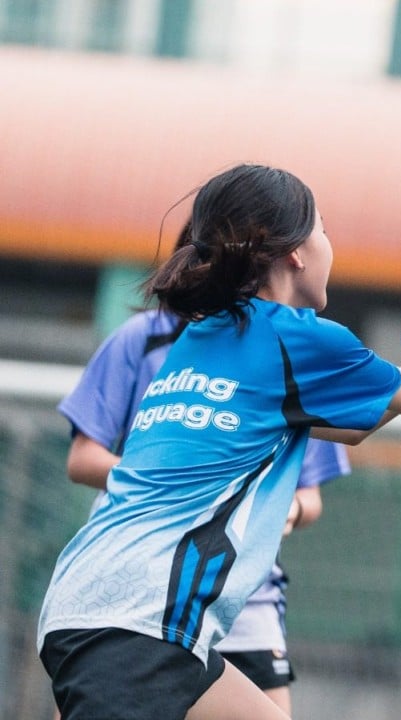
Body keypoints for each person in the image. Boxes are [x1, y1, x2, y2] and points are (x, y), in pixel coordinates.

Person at [37, 163, 401, 720]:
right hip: (142, 623)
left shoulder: (202, 333)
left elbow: (353, 424)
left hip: (104, 605)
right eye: (323, 229)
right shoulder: (292, 335)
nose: (328, 244)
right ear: (295, 251)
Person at [57, 241, 349, 716]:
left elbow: (311, 492)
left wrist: (283, 510)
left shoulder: (288, 350)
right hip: (138, 583)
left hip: (242, 589)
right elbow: (82, 457)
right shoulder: (144, 339)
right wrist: (185, 485)